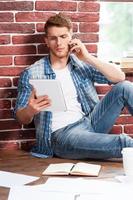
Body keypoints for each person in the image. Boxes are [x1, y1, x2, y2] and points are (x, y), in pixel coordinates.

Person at [14, 13, 133, 159]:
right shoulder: (32, 73)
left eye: (63, 37)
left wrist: (88, 57)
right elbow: (21, 118)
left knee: (125, 87)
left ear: (71, 36)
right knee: (125, 142)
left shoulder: (81, 64)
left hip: (90, 123)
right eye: (53, 38)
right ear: (46, 41)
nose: (59, 43)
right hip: (62, 136)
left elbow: (119, 77)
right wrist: (30, 110)